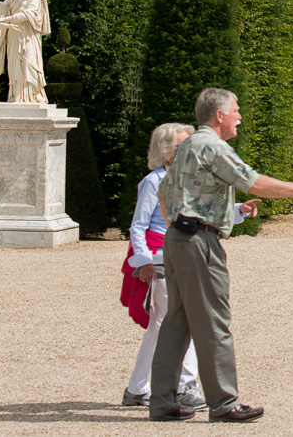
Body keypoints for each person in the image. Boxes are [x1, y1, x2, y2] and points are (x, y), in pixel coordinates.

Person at [152, 87, 293, 423]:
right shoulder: (211, 145)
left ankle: (162, 401)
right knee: (212, 322)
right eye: (235, 110)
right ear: (219, 115)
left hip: (177, 239)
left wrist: (177, 225)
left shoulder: (187, 145)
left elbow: (163, 193)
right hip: (197, 242)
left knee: (177, 323)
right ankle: (223, 403)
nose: (239, 116)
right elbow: (254, 182)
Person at [123, 123, 203, 409]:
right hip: (160, 256)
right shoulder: (154, 181)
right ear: (167, 151)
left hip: (181, 253)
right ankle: (184, 385)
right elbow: (138, 226)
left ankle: (137, 388)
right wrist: (144, 262)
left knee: (160, 325)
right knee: (183, 320)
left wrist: (238, 212)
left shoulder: (188, 179)